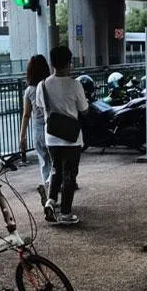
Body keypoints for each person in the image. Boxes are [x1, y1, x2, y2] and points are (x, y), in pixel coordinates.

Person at [36, 46, 89, 225]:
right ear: (69, 63)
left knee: (56, 170)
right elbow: (84, 109)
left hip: (51, 136)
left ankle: (51, 201)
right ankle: (66, 213)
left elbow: (41, 108)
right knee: (69, 175)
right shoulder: (75, 85)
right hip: (71, 138)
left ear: (52, 63)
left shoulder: (42, 85)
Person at [19, 55, 52, 208]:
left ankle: (47, 188)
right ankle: (52, 190)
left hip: (37, 130)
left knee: (44, 162)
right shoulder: (48, 86)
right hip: (52, 128)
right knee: (56, 162)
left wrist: (22, 136)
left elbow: (26, 115)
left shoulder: (29, 91)